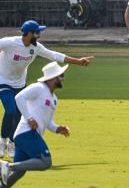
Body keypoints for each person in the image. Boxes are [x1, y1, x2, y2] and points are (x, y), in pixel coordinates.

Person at [0, 20, 93, 159]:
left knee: (19, 115)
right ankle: (2, 141)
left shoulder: (35, 47)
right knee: (11, 110)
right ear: (29, 33)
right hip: (3, 81)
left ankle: (13, 143)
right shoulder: (10, 42)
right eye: (37, 33)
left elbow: (55, 55)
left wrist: (78, 61)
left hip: (19, 83)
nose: (39, 36)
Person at [0, 62, 71, 188]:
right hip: (26, 133)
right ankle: (5, 166)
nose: (62, 78)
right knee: (45, 162)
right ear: (52, 78)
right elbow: (19, 97)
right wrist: (29, 118)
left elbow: (48, 122)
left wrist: (58, 129)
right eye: (60, 75)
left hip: (28, 135)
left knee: (18, 174)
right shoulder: (39, 88)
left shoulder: (54, 99)